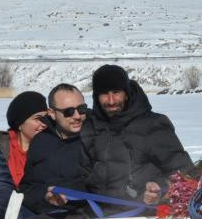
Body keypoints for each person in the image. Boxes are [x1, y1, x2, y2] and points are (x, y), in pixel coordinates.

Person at [79, 64, 191, 208]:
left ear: (127, 93)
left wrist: (160, 190)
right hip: (98, 217)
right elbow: (81, 174)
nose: (111, 100)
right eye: (104, 94)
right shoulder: (90, 127)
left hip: (144, 215)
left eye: (116, 92)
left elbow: (183, 172)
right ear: (96, 96)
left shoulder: (153, 125)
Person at [19, 83, 88, 216]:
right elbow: (27, 188)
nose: (77, 116)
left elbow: (103, 184)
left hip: (84, 216)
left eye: (81, 108)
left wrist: (68, 192)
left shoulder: (96, 138)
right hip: (43, 215)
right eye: (69, 112)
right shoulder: (40, 141)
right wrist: (45, 195)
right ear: (52, 113)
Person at [0, 91, 48, 187]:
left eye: (46, 118)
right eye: (38, 118)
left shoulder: (52, 148)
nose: (44, 124)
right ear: (20, 123)